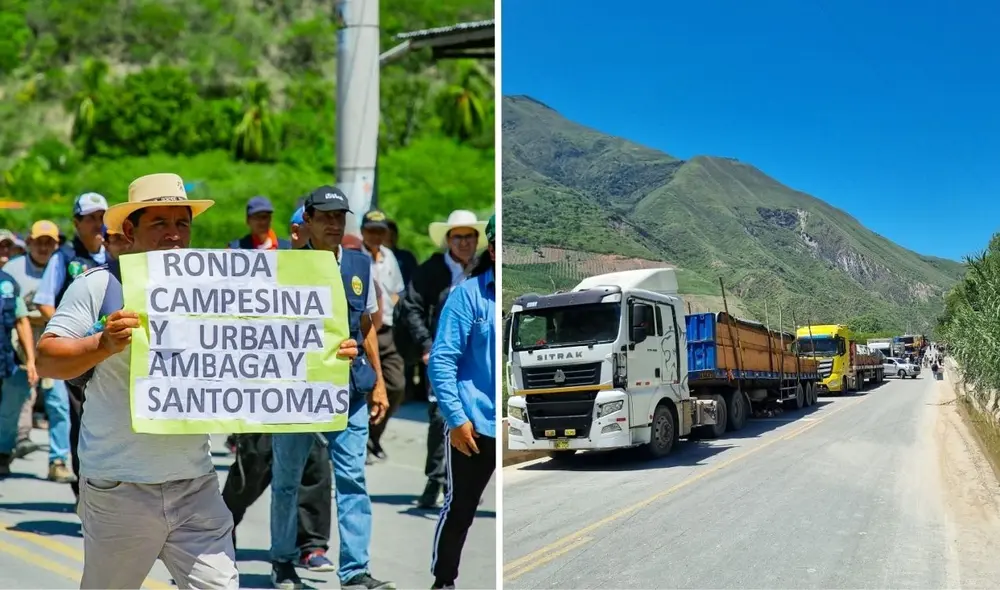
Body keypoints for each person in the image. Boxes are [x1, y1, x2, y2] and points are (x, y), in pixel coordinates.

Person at [35, 173, 242, 588]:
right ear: (129, 231)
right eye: (159, 223)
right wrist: (102, 344)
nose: (174, 234)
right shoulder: (99, 285)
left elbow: (262, 348)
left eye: (182, 223)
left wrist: (327, 355)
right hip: (120, 488)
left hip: (195, 485)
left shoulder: (212, 289)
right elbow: (47, 360)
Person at [268, 185, 393, 590]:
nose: (334, 224)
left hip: (348, 390)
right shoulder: (285, 267)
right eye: (325, 217)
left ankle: (355, 571)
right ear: (307, 221)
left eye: (339, 217)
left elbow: (367, 326)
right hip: (296, 393)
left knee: (353, 479)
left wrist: (378, 384)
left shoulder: (359, 264)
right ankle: (283, 562)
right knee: (287, 480)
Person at [221, 198, 336, 572]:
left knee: (315, 467)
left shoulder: (323, 271)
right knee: (253, 466)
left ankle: (311, 546)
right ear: (296, 231)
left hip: (307, 389)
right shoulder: (255, 264)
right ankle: (218, 529)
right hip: (261, 385)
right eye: (301, 231)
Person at [397, 209, 487, 509]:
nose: (464, 242)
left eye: (469, 236)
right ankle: (436, 479)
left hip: (473, 359)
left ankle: (459, 482)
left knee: (470, 418)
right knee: (441, 417)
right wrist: (427, 346)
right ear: (448, 239)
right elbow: (411, 308)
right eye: (458, 236)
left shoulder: (482, 271)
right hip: (440, 355)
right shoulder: (430, 271)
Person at [427, 213, 496, 590]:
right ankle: (443, 581)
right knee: (461, 508)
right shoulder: (467, 296)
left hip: (513, 420)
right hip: (474, 423)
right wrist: (456, 419)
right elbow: (441, 360)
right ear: (493, 249)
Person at [0, 220, 74, 482]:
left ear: (57, 245)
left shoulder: (64, 267)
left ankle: (58, 461)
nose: (44, 247)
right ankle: (4, 452)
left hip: (53, 342)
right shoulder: (13, 268)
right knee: (13, 401)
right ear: (29, 242)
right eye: (39, 242)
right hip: (19, 345)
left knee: (58, 403)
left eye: (49, 243)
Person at [359, 210, 407, 463]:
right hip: (362, 328)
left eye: (380, 231)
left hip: (386, 329)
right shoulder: (355, 256)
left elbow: (398, 289)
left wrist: (390, 307)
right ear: (362, 231)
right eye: (371, 230)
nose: (376, 235)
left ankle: (373, 435)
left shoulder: (389, 256)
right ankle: (361, 440)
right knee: (365, 386)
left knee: (396, 385)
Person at [0, 267, 38, 477]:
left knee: (8, 410)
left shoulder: (8, 283)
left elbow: (21, 320)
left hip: (4, 359)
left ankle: (3, 453)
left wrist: (31, 360)